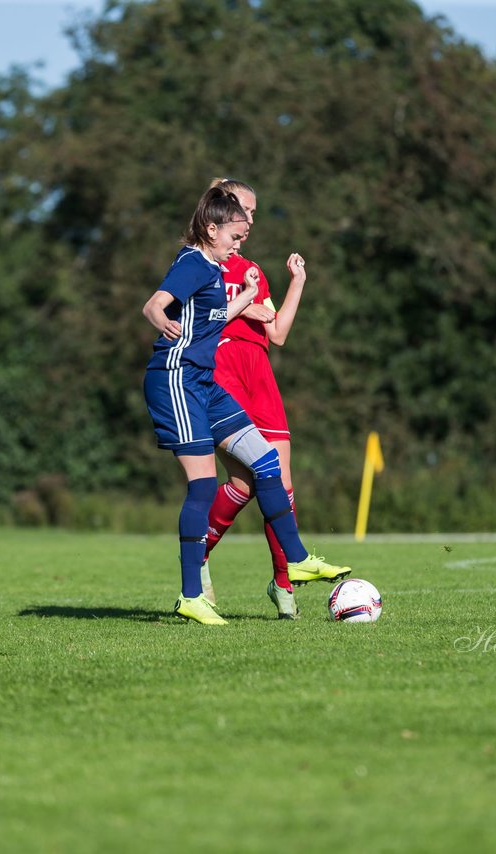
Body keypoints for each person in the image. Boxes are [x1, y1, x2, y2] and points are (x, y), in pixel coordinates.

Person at [142, 186, 352, 625]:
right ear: (212, 228)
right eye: (234, 235)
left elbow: (216, 319)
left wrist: (246, 295)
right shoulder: (192, 263)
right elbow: (153, 305)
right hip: (178, 382)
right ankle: (190, 595)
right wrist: (163, 321)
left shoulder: (216, 269)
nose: (241, 242)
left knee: (266, 462)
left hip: (205, 384)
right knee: (202, 487)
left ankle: (294, 561)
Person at [198, 178, 348, 620]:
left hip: (259, 374)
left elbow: (277, 333)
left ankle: (284, 584)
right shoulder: (202, 264)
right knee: (247, 481)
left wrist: (296, 282)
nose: (250, 219)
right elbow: (187, 312)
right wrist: (243, 305)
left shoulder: (253, 270)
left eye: (254, 212)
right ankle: (197, 556)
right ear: (220, 213)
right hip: (222, 372)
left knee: (275, 483)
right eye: (245, 209)